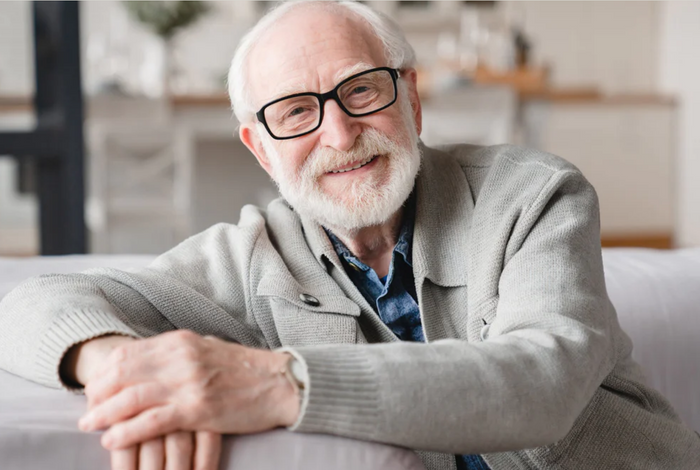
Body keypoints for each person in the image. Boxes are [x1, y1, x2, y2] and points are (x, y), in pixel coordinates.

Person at [1, 1, 699, 470]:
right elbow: (31, 304)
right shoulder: (253, 254)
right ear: (261, 148)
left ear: (411, 98)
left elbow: (541, 384)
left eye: (362, 90)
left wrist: (273, 382)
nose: (339, 134)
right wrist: (115, 364)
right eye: (297, 111)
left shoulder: (535, 195)